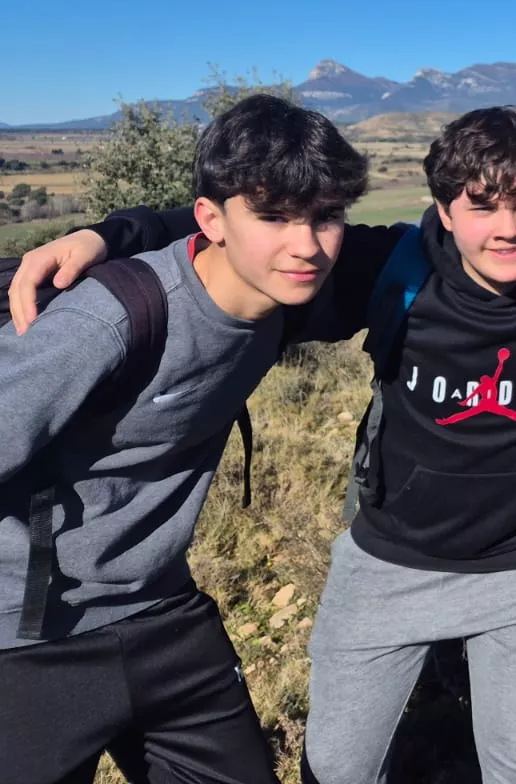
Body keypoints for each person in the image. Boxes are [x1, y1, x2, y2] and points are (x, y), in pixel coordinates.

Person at [9, 106, 516, 784]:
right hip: (386, 567)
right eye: (480, 205)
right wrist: (111, 234)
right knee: (341, 766)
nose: (506, 229)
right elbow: (241, 223)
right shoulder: (387, 268)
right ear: (442, 209)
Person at [0, 95, 368, 784]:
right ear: (211, 219)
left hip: (162, 609)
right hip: (27, 640)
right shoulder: (108, 321)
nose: (306, 244)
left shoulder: (294, 295)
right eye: (273, 216)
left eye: (325, 217)